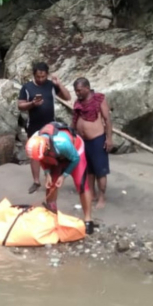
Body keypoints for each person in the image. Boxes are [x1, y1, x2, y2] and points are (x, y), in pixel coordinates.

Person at [25, 122, 95, 235]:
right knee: (51, 185)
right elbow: (41, 158)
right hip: (53, 155)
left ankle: (88, 219)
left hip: (75, 151)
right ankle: (52, 217)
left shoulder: (62, 143)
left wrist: (64, 176)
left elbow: (75, 159)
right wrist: (47, 173)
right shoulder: (35, 141)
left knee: (81, 184)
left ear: (46, 146)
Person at [18, 62, 71, 194]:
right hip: (34, 125)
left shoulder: (51, 85)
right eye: (38, 77)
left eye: (43, 77)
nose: (41, 79)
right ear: (34, 75)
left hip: (50, 125)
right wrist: (32, 104)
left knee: (51, 151)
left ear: (47, 74)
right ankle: (36, 181)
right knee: (34, 154)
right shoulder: (27, 87)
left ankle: (51, 177)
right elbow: (20, 105)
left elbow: (67, 97)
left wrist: (59, 84)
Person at [72, 78, 113, 209]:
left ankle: (102, 197)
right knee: (88, 170)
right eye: (76, 91)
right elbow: (75, 120)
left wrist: (109, 139)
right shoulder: (77, 103)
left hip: (97, 139)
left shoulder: (99, 99)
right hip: (83, 141)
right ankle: (93, 194)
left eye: (79, 90)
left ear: (87, 88)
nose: (77, 93)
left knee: (100, 171)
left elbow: (107, 120)